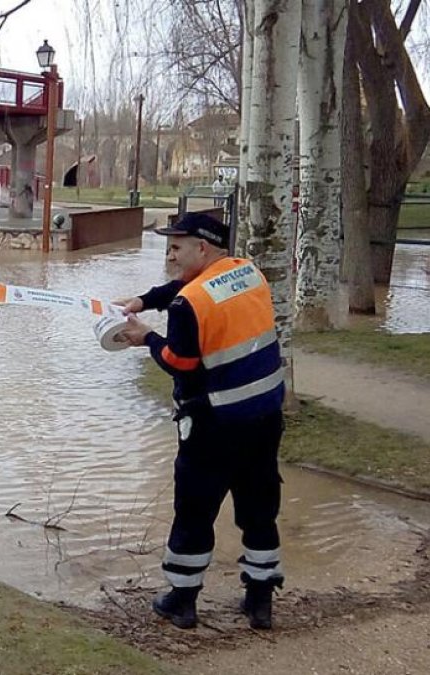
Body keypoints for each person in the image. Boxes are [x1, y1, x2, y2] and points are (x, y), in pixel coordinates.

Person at [117, 212, 285, 630]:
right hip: (264, 418)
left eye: (176, 247)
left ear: (202, 248)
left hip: (212, 426)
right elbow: (191, 288)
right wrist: (145, 300)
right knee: (259, 508)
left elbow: (182, 363)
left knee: (194, 512)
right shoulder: (249, 274)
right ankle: (260, 601)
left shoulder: (188, 305)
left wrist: (147, 338)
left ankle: (182, 600)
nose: (170, 255)